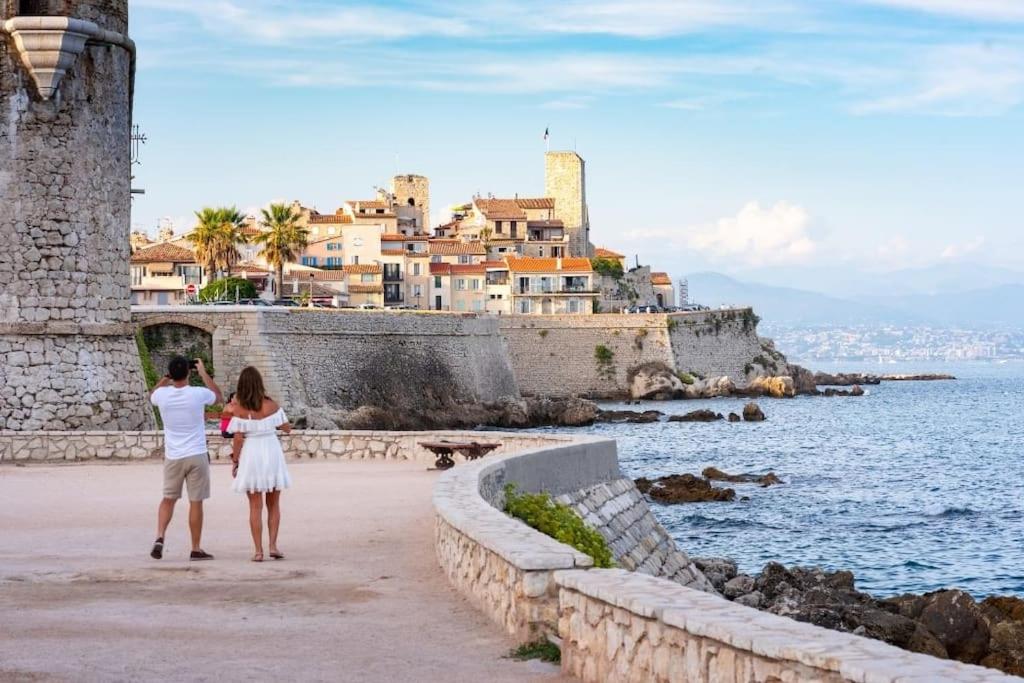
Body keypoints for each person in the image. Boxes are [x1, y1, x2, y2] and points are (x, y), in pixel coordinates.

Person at [149, 356, 223, 561]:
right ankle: (196, 548)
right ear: (189, 372)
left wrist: (165, 379)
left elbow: (151, 395)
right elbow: (218, 396)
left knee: (168, 499)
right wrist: (203, 372)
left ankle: (160, 536)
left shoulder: (162, 395)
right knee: (196, 502)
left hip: (173, 455)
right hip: (196, 454)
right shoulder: (198, 394)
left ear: (171, 374)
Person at [228, 366, 292, 562]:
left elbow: (238, 439)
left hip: (252, 453)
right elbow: (287, 429)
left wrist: (236, 461)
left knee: (254, 506)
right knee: (273, 504)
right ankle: (273, 546)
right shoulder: (272, 406)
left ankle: (258, 551)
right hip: (271, 450)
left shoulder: (239, 410)